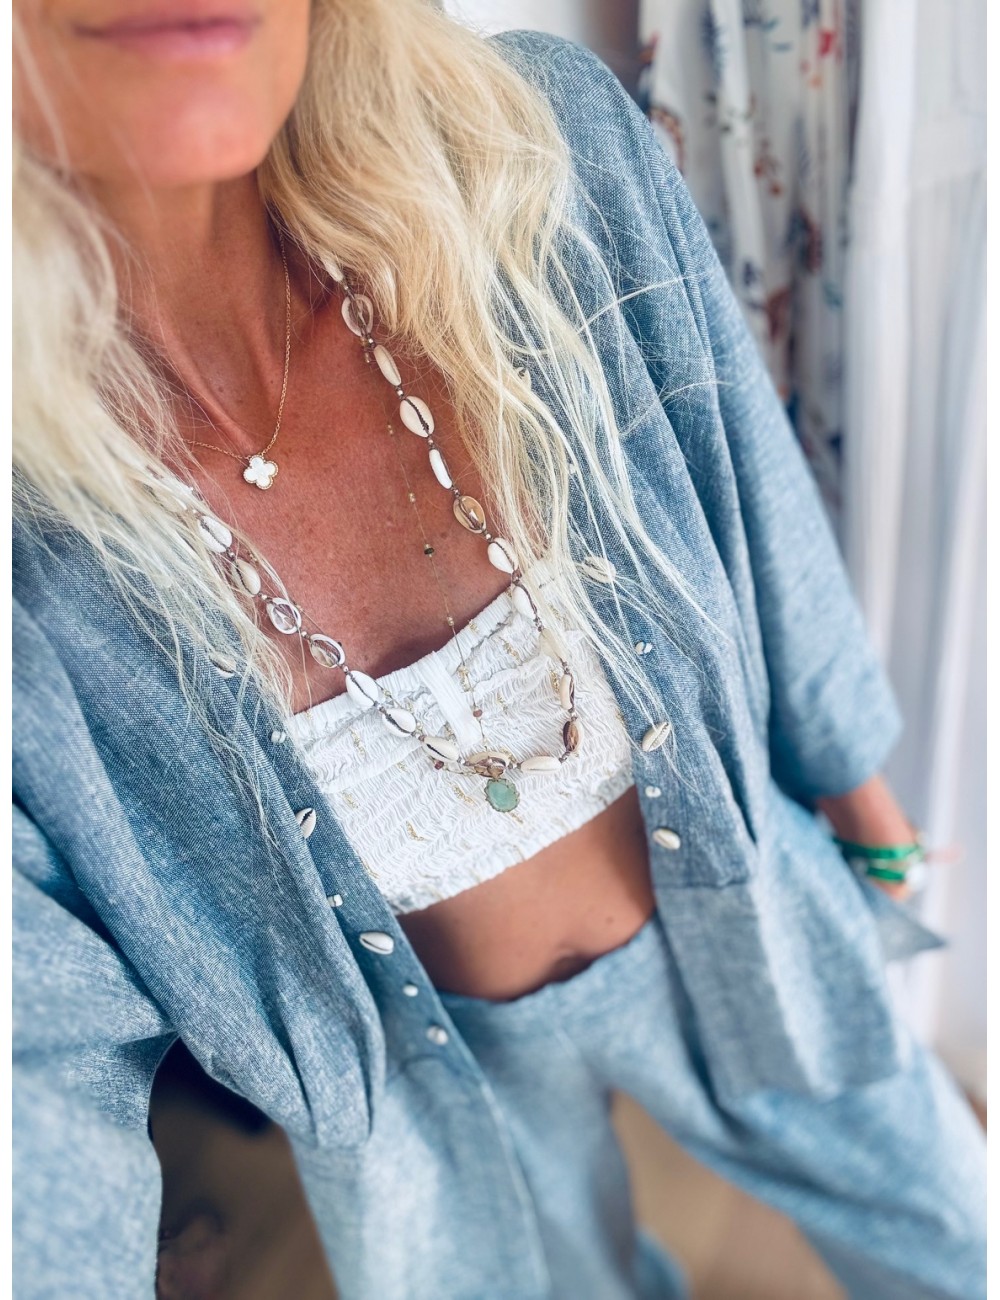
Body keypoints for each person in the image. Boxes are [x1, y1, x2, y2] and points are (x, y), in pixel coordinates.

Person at [12, 2, 986, 1297]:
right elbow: (32, 1069)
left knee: (957, 1231)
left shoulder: (536, 147)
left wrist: (862, 801)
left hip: (745, 917)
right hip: (432, 1106)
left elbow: (751, 488)